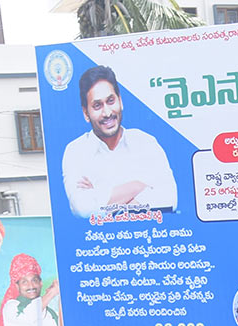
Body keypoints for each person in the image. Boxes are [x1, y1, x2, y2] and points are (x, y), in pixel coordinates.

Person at [62, 65, 177, 217]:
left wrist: (100, 199)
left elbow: (170, 199)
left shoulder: (145, 142)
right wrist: (138, 186)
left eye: (110, 101)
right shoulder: (76, 152)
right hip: (99, 240)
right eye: (97, 105)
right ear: (86, 113)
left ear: (120, 101)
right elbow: (83, 209)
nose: (107, 113)